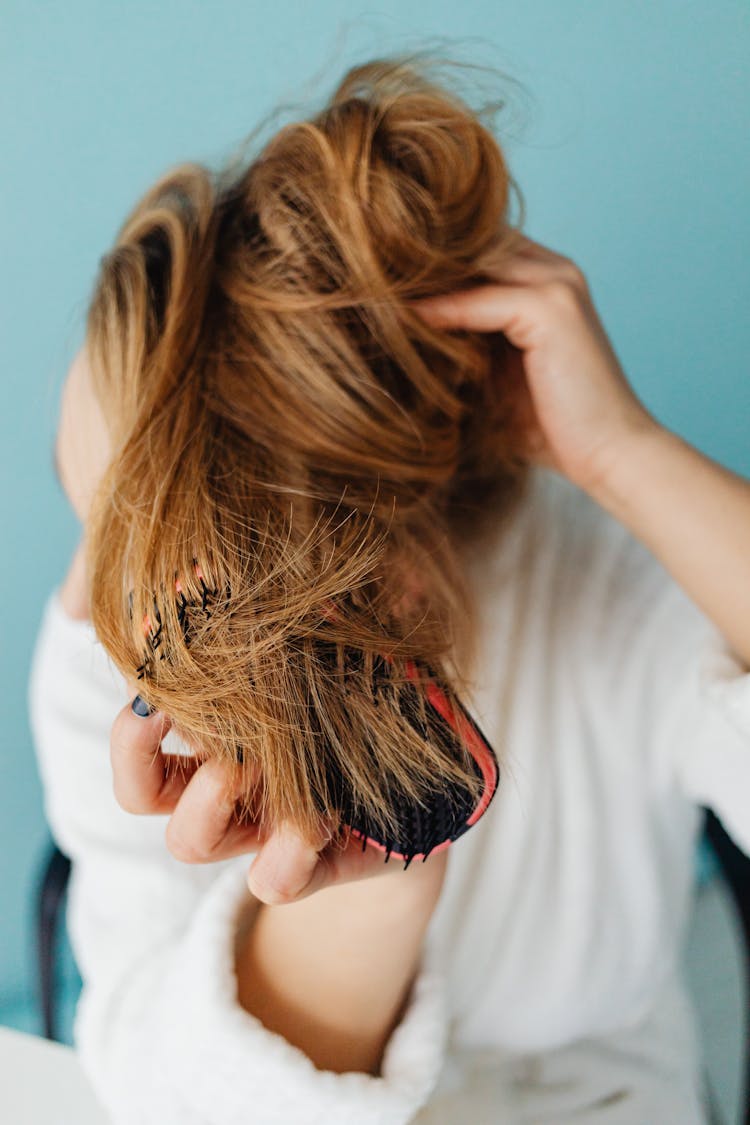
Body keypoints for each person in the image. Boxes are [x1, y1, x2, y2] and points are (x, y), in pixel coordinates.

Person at [28, 53, 750, 1124]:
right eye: (95, 527)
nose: (104, 608)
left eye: (146, 546)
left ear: (389, 568)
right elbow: (164, 1093)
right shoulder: (104, 662)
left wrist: (625, 454)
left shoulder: (602, 575)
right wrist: (372, 878)